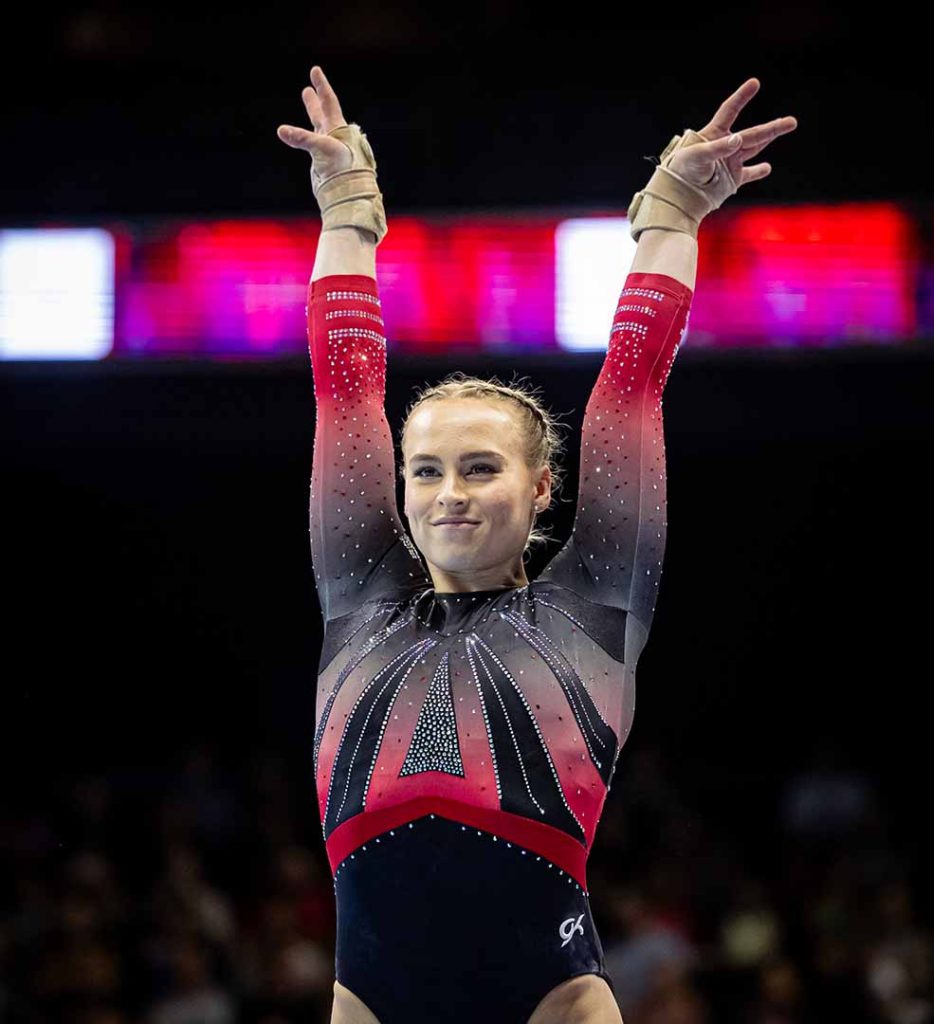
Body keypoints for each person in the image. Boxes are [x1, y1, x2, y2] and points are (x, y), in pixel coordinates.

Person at [277, 66, 797, 1024]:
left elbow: (632, 388)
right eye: (426, 472)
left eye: (481, 469)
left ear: (542, 485)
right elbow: (344, 392)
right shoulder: (358, 598)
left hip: (549, 1002)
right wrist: (346, 211)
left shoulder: (593, 606)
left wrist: (672, 214)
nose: (449, 496)